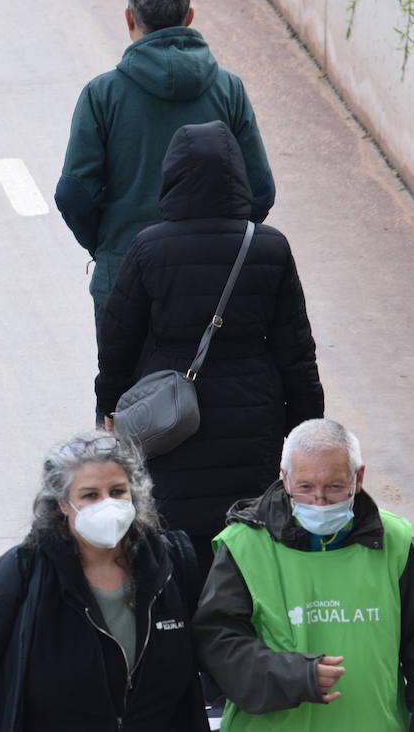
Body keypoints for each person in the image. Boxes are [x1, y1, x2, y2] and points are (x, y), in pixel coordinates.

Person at [95, 120, 323, 576]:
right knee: (247, 545)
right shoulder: (268, 247)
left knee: (177, 545)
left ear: (173, 177)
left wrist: (108, 408)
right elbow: (296, 350)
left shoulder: (148, 248)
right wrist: (306, 435)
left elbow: (118, 340)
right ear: (238, 176)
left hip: (172, 418)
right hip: (253, 420)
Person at [194, 419, 414, 730]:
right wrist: (295, 676)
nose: (319, 502)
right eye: (305, 488)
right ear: (285, 478)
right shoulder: (244, 545)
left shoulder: (393, 541)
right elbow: (218, 644)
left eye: (334, 487)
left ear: (357, 478)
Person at [55, 0, 275, 323]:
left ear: (129, 18)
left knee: (127, 381)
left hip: (126, 282)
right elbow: (260, 192)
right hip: (214, 287)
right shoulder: (229, 90)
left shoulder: (103, 95)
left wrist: (111, 246)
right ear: (189, 17)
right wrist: (222, 245)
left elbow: (73, 195)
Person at [0, 432, 207, 731]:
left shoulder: (169, 565)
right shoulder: (19, 575)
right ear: (63, 504)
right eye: (90, 495)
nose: (107, 504)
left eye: (118, 491)